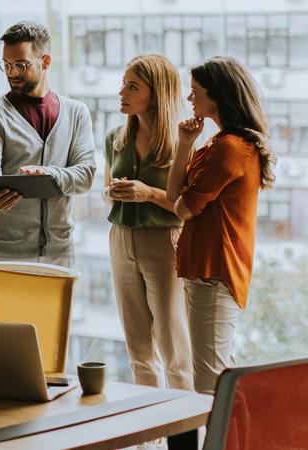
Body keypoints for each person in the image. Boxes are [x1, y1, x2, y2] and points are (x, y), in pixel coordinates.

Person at [167, 56, 276, 394]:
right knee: (214, 374)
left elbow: (182, 209)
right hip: (205, 270)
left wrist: (188, 155)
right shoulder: (219, 143)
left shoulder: (230, 148)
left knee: (209, 383)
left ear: (218, 96)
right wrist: (185, 144)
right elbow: (175, 198)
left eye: (195, 91)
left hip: (214, 272)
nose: (189, 99)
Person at [104, 54, 193, 393]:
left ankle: (184, 436)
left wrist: (149, 193)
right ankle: (148, 440)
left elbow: (188, 207)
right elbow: (107, 191)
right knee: (138, 349)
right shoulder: (116, 138)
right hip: (120, 240)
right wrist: (114, 193)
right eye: (123, 84)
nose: (121, 93)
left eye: (132, 86)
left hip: (164, 242)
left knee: (174, 349)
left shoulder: (181, 143)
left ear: (156, 93)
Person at [0, 21, 96, 268]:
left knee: (54, 310)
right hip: (5, 250)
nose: (12, 73)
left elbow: (86, 174)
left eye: (21, 65)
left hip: (59, 250)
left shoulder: (76, 113)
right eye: (6, 65)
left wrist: (47, 175)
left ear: (45, 62)